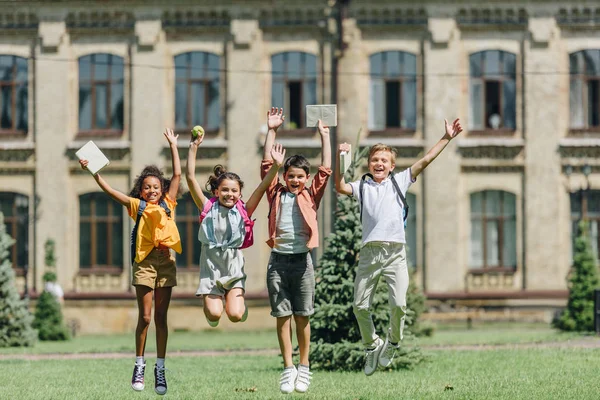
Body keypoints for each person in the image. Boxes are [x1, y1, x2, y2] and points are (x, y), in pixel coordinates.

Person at [335, 118, 463, 376]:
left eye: (384, 161)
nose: (379, 164)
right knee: (359, 306)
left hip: (395, 253)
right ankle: (372, 345)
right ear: (368, 164)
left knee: (399, 304)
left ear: (392, 166)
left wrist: (446, 138)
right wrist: (342, 160)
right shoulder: (362, 186)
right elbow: (339, 186)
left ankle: (392, 342)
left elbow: (426, 159)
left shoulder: (401, 181)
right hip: (370, 253)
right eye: (375, 160)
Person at [79, 129, 182, 395]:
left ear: (162, 189)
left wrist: (173, 145)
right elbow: (112, 192)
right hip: (145, 264)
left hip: (166, 263)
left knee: (161, 317)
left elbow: (179, 175)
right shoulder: (138, 206)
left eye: (156, 187)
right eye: (147, 187)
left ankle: (160, 367)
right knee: (145, 317)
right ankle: (139, 364)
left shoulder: (170, 202)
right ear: (141, 190)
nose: (152, 190)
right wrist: (94, 172)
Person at [261, 107, 332, 394]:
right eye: (290, 176)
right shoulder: (275, 192)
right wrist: (272, 131)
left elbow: (325, 171)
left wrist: (324, 136)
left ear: (306, 178)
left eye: (300, 176)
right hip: (277, 263)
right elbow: (267, 166)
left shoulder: (310, 195)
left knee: (303, 316)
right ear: (285, 176)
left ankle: (304, 367)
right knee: (282, 317)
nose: (295, 180)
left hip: (303, 263)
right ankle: (288, 368)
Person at [186, 130, 286, 327]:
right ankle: (211, 310)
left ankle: (240, 307)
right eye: (224, 190)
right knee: (214, 315)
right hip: (211, 271)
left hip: (233, 271)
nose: (229, 194)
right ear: (216, 191)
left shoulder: (243, 211)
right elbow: (190, 178)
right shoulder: (207, 207)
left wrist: (276, 166)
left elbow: (263, 186)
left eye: (234, 191)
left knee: (235, 315)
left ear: (240, 194)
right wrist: (193, 148)